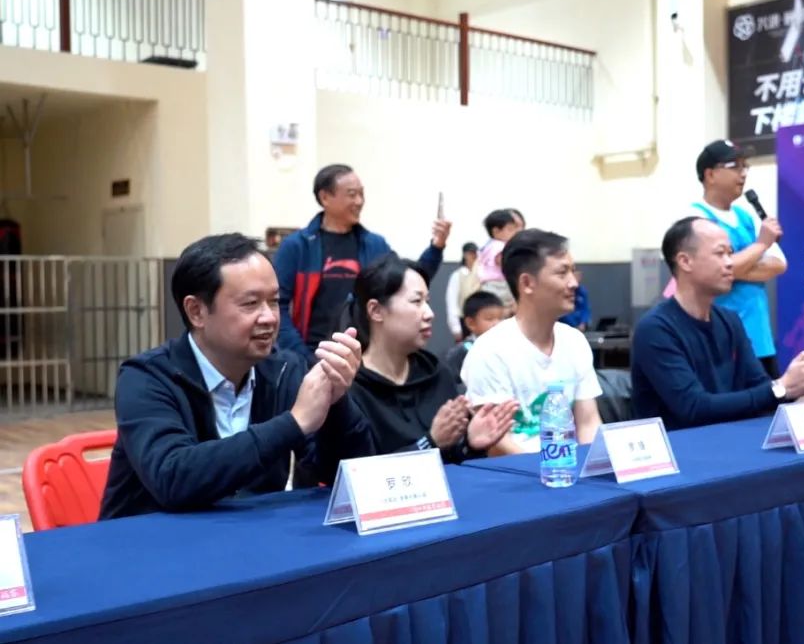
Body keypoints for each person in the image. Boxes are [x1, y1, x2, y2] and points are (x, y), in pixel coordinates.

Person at [100, 234, 374, 520]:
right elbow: (173, 478)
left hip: (247, 537)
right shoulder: (146, 377)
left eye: (274, 301)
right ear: (196, 311)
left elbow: (349, 475)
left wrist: (336, 403)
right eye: (251, 303)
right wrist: (293, 424)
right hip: (149, 540)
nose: (269, 317)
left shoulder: (285, 370)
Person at [631, 217, 804, 430]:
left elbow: (761, 389)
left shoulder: (729, 320)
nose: (729, 263)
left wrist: (796, 383)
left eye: (730, 253)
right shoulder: (656, 329)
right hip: (682, 449)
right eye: (720, 253)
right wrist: (781, 388)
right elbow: (694, 407)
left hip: (730, 440)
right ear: (685, 261)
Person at [343, 254, 517, 461]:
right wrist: (430, 442)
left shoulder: (435, 372)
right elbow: (356, 473)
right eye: (416, 301)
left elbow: (449, 458)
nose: (429, 313)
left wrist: (469, 444)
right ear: (376, 310)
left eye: (427, 301)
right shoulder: (349, 386)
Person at [273, 164, 452, 364]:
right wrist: (301, 356)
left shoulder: (375, 245)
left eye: (361, 194)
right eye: (352, 194)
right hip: (311, 355)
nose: (359, 201)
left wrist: (436, 246)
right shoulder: (297, 246)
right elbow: (277, 305)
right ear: (325, 197)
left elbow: (408, 281)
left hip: (365, 358)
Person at [462, 229, 603, 454]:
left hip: (570, 467)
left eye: (573, 271)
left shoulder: (575, 341)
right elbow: (497, 444)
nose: (573, 283)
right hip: (517, 472)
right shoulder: (489, 351)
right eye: (562, 273)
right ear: (527, 283)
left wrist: (591, 466)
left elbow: (588, 423)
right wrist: (549, 468)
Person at [690, 139, 787, 378]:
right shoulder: (695, 217)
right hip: (720, 339)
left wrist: (735, 267)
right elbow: (713, 271)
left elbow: (779, 264)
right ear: (710, 174)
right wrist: (761, 245)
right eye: (734, 166)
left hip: (760, 338)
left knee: (771, 399)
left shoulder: (747, 215)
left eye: (745, 166)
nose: (742, 173)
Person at [460, 208, 524, 311]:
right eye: (510, 229)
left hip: (489, 285)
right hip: (498, 284)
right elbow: (503, 262)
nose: (514, 233)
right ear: (496, 231)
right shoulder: (499, 246)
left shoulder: (489, 246)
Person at [445, 290, 505, 382]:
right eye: (489, 319)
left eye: (500, 318)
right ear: (471, 323)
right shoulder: (463, 352)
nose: (497, 324)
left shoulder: (506, 348)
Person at [444, 241, 478, 342]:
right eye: (470, 253)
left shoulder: (482, 274)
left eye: (475, 253)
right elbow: (452, 301)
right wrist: (456, 328)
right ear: (465, 255)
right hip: (464, 322)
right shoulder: (457, 276)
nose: (473, 256)